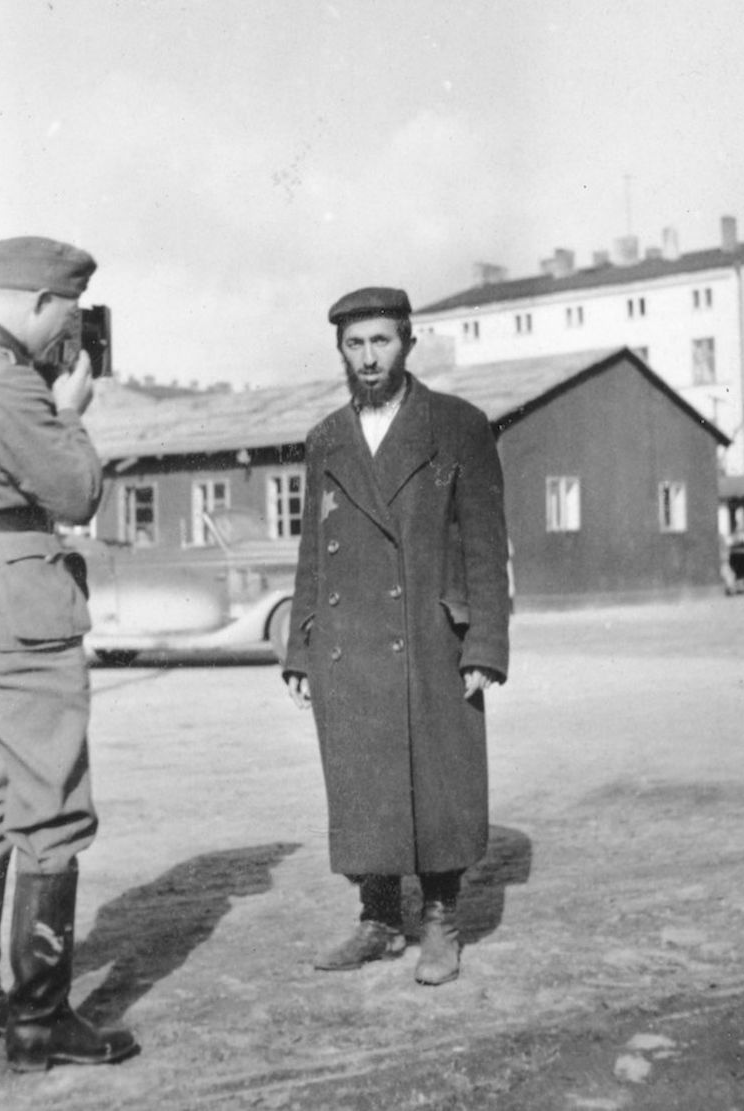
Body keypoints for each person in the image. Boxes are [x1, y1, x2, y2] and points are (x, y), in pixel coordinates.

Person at [284, 286, 510, 985]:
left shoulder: (458, 424)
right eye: (355, 345)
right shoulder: (325, 437)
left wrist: (486, 647)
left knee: (439, 778)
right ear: (341, 352)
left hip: (430, 636)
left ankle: (441, 918)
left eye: (381, 341)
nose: (369, 358)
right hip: (349, 642)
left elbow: (484, 542)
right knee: (360, 780)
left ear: (408, 341)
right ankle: (379, 918)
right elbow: (313, 551)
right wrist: (300, 645)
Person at [0, 237, 137, 1071]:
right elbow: (74, 493)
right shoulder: (6, 380)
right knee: (50, 802)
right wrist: (69, 410)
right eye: (68, 316)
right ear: (44, 300)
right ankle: (38, 1018)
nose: (67, 335)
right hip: (17, 600)